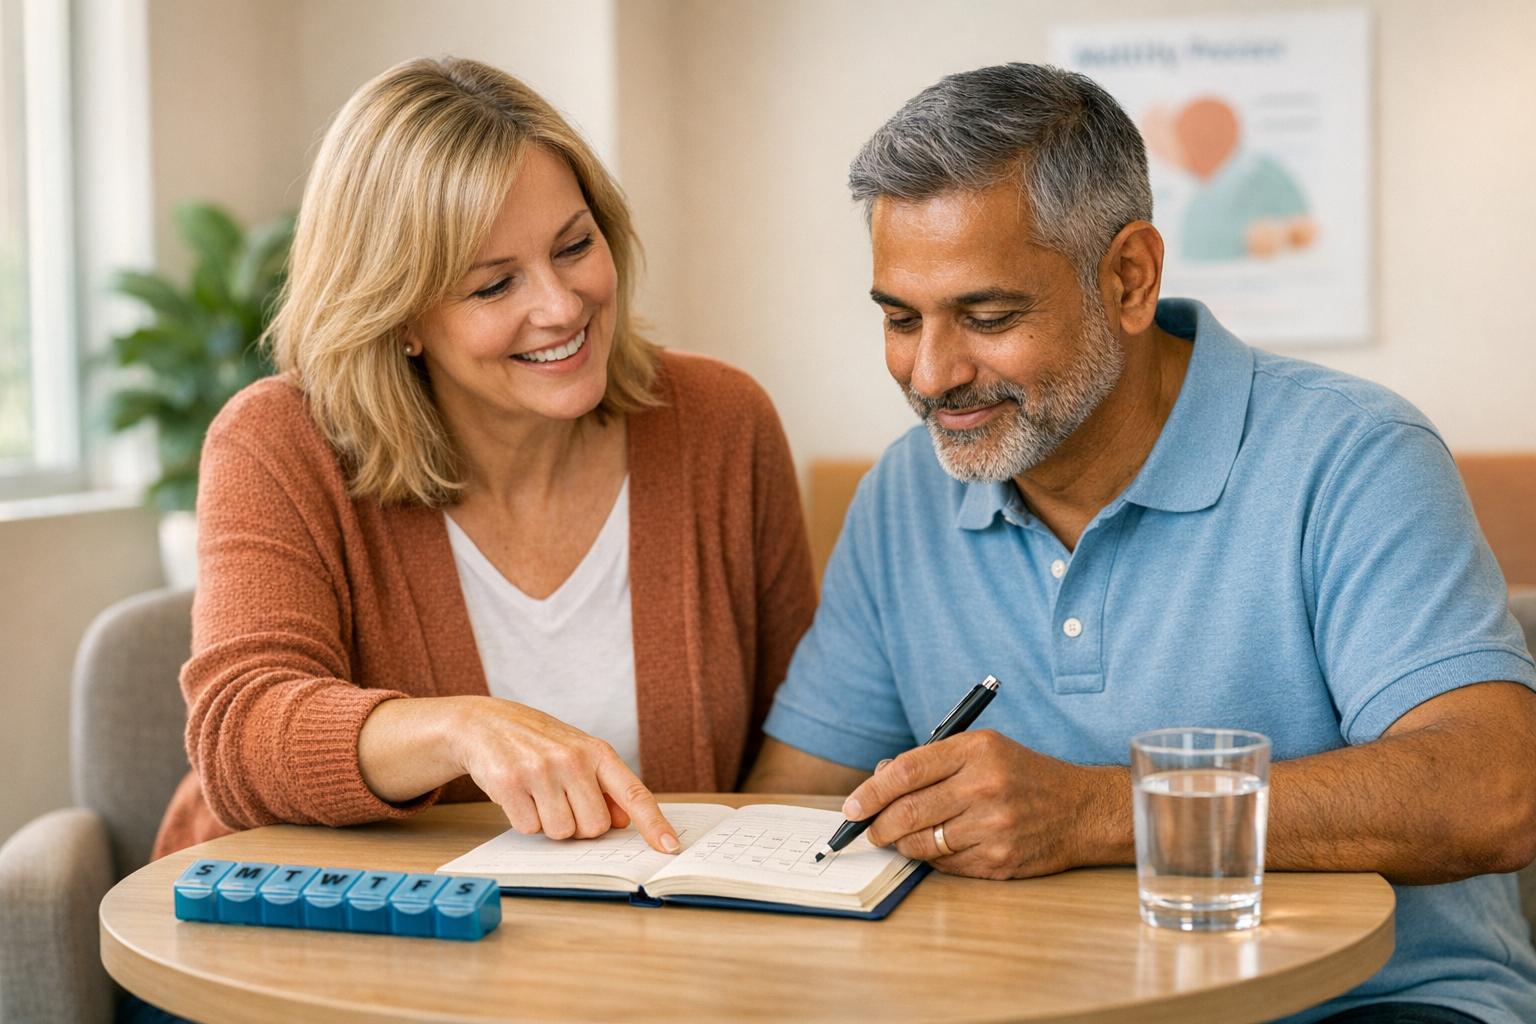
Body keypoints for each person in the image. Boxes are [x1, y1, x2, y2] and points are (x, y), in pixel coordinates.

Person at [746, 63, 1536, 1024]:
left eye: (988, 317)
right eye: (900, 318)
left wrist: (1093, 810)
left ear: (1129, 277)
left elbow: (1494, 792)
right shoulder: (903, 495)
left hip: (1370, 1004)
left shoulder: (1355, 456)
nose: (931, 374)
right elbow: (794, 805)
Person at [150, 56, 815, 861]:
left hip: (626, 953)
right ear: (399, 318)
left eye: (574, 246)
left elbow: (810, 725)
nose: (561, 307)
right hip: (306, 938)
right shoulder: (279, 443)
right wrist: (457, 727)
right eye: (494, 287)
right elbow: (239, 736)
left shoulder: (722, 423)